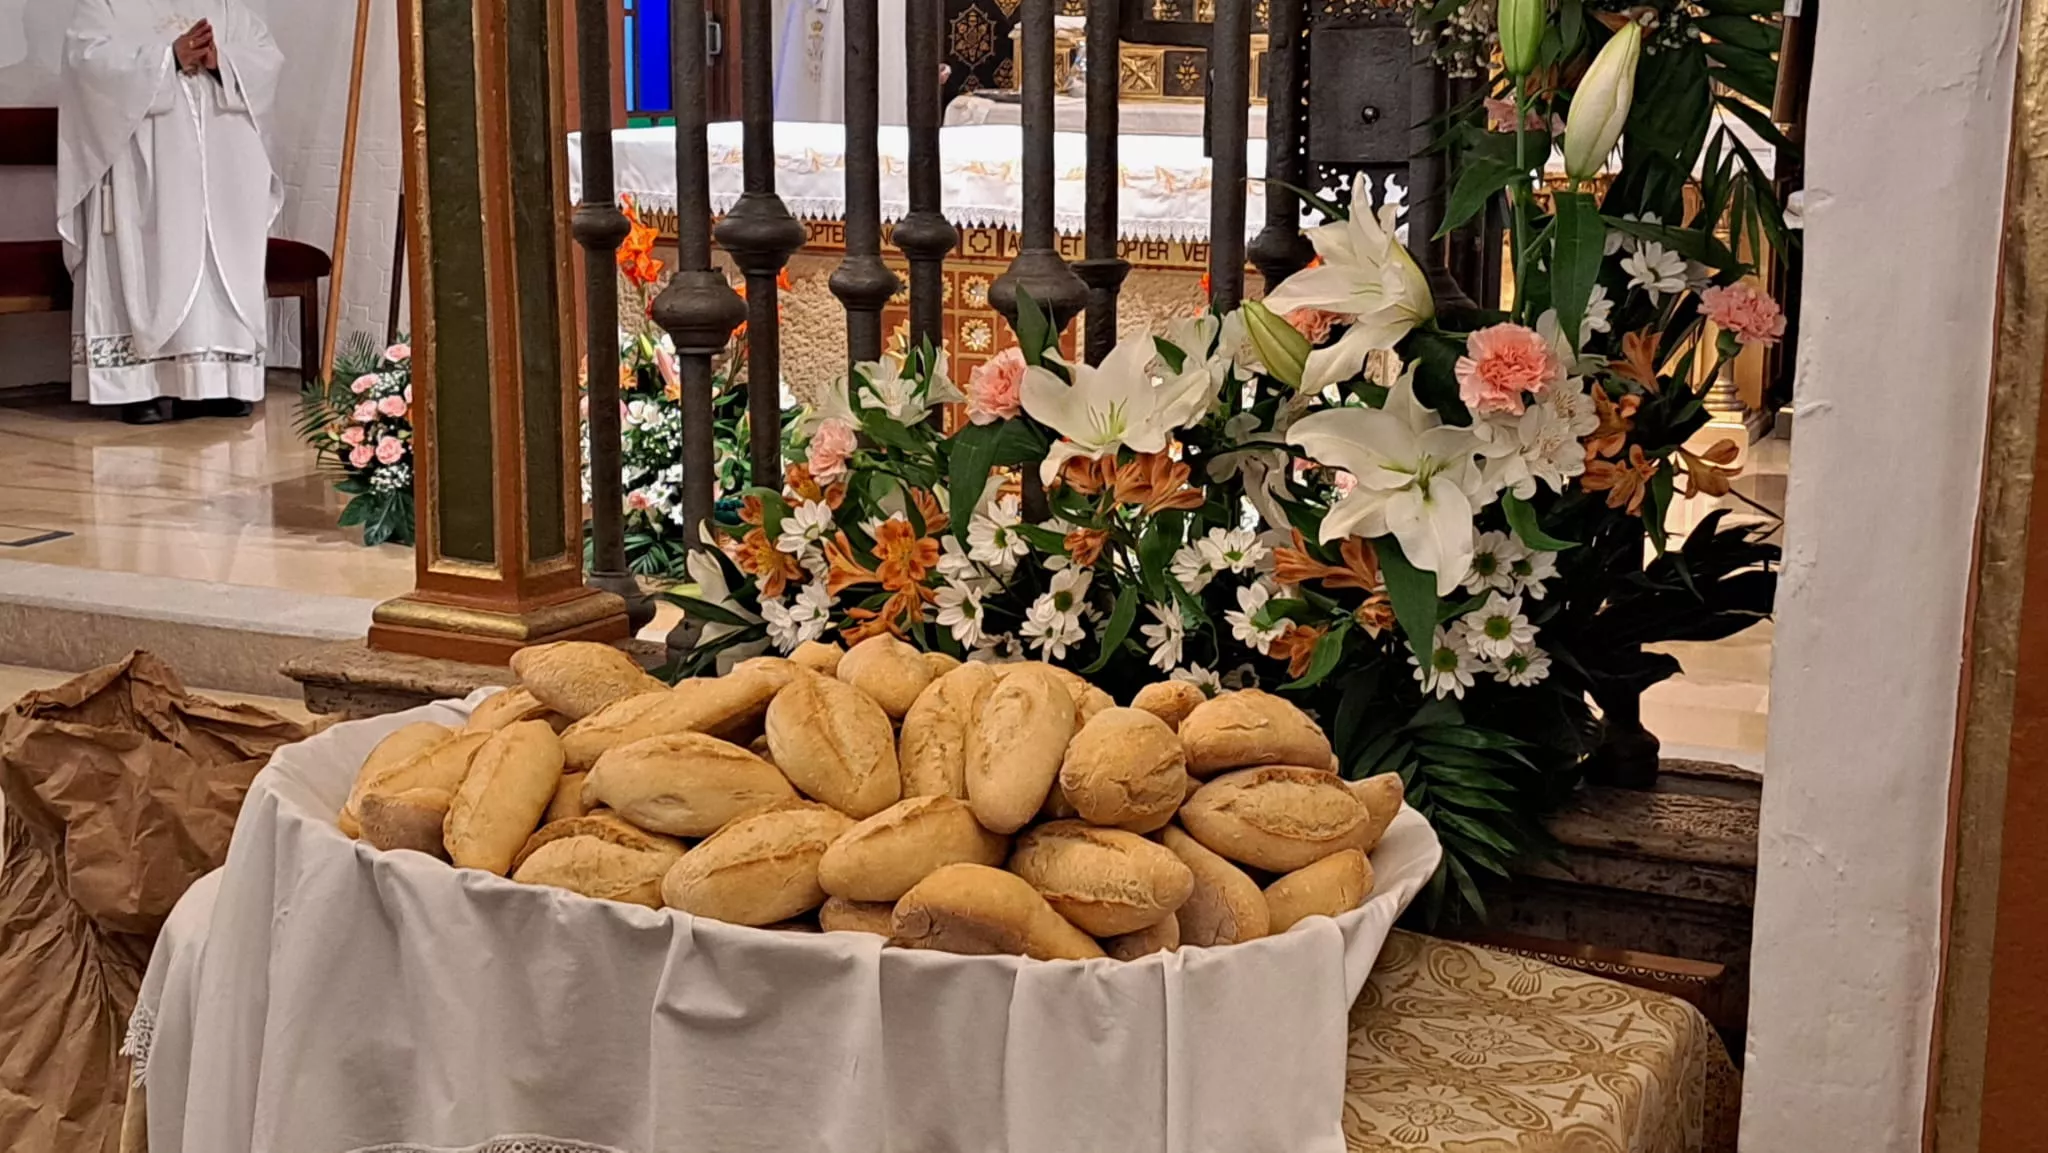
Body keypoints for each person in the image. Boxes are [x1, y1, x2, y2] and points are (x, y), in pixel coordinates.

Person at [57, 0, 283, 424]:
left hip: (223, 171)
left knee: (223, 264)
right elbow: (86, 64)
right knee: (152, 263)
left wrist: (222, 62)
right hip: (145, 173)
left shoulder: (228, 8)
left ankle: (221, 382)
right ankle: (142, 387)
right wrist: (167, 60)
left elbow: (266, 58)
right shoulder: (106, 6)